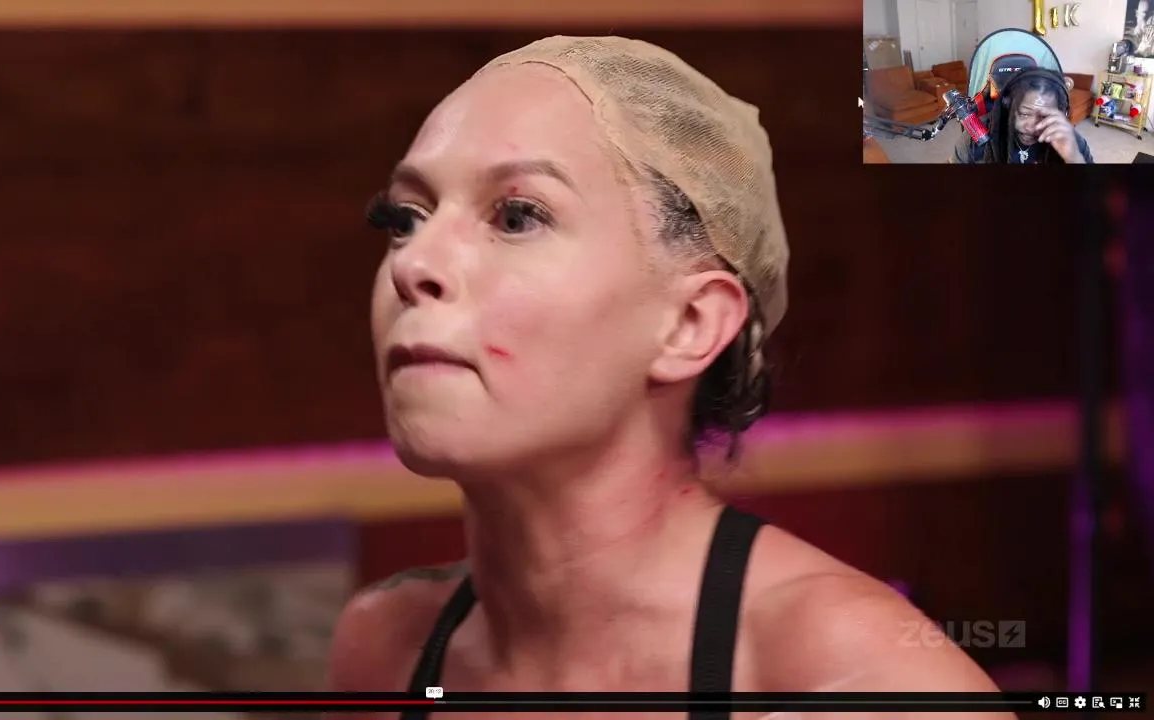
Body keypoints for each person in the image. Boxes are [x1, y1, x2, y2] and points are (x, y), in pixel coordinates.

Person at [330, 35, 1011, 719]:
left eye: (516, 216)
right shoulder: (384, 650)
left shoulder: (860, 685)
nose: (411, 265)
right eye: (404, 218)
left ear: (690, 323)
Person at [953, 68, 1094, 164]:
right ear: (1008, 107)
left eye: (1044, 117)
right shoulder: (975, 137)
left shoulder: (1071, 141)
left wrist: (1073, 157)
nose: (1032, 127)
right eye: (1025, 114)